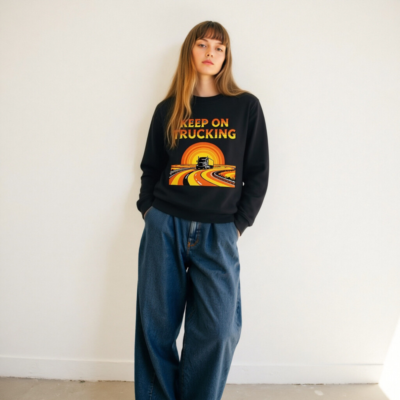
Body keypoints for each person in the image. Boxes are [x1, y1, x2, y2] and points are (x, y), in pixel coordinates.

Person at [135, 20, 269, 400]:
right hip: (165, 226)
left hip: (218, 231)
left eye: (219, 48)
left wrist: (237, 225)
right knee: (156, 328)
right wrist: (149, 211)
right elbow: (151, 167)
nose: (211, 53)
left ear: (226, 57)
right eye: (203, 44)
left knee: (219, 330)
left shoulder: (245, 107)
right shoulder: (168, 109)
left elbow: (257, 172)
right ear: (189, 51)